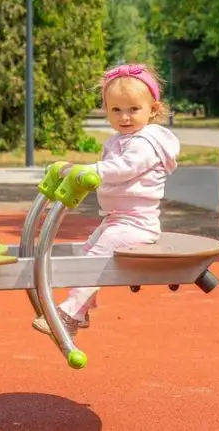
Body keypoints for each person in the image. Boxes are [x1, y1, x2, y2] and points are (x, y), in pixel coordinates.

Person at [32, 63, 180, 338]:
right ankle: (80, 311)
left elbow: (124, 169)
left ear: (153, 109)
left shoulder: (146, 142)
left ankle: (69, 314)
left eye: (133, 109)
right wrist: (75, 170)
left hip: (137, 224)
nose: (124, 117)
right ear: (107, 111)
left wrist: (90, 171)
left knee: (95, 257)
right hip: (116, 219)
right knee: (88, 252)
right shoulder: (119, 139)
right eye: (116, 110)